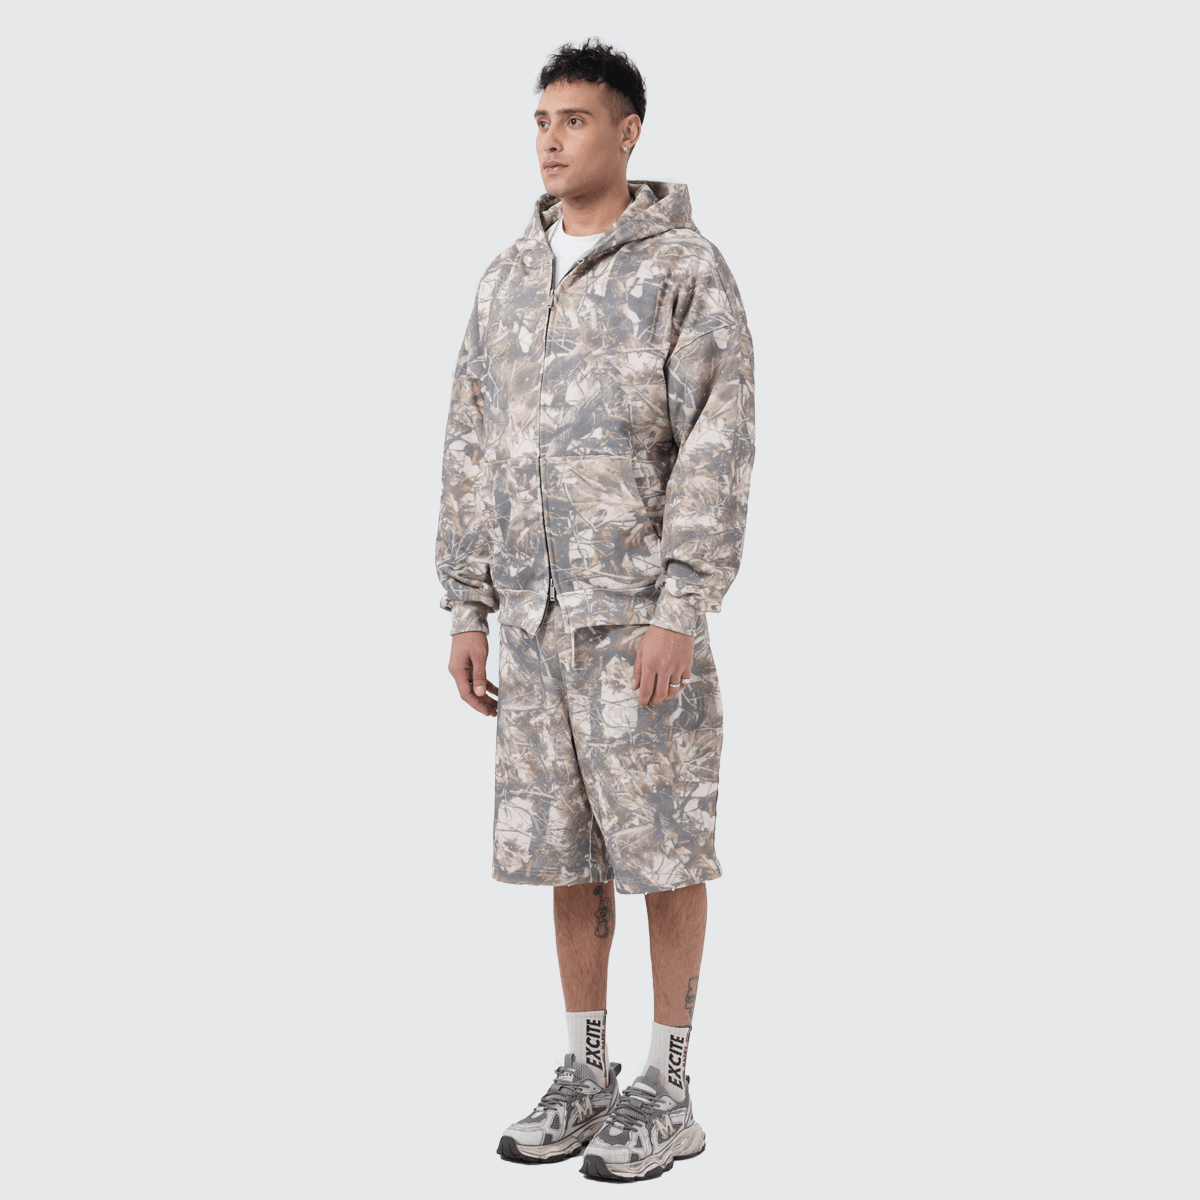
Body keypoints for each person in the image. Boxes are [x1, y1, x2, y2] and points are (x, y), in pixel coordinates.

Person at [434, 37, 755, 1183]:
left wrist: (683, 602)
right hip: (532, 623)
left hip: (636, 622)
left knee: (662, 847)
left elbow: (718, 440)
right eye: (541, 120)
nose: (551, 139)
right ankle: (586, 1070)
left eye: (574, 119)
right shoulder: (507, 279)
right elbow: (469, 441)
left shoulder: (684, 271)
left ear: (628, 132)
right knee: (565, 853)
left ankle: (670, 1087)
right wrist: (467, 603)